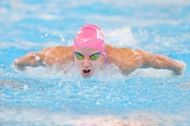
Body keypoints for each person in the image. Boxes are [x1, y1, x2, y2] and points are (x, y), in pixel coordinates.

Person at [14, 24, 185, 78]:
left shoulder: (123, 61)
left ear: (102, 56)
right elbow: (33, 57)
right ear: (74, 53)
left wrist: (177, 67)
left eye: (93, 56)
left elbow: (151, 59)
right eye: (80, 56)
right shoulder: (59, 58)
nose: (86, 63)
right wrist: (18, 65)